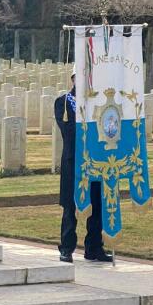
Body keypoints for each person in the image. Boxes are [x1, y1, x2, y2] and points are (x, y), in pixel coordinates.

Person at [55, 74, 112, 263]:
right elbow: (68, 132)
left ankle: (94, 248)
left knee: (97, 205)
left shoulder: (98, 101)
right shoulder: (63, 102)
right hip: (74, 161)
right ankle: (67, 248)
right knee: (71, 207)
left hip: (96, 161)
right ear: (72, 79)